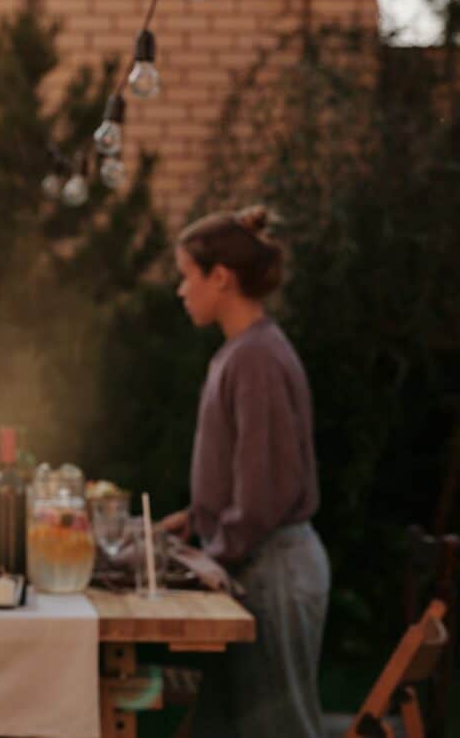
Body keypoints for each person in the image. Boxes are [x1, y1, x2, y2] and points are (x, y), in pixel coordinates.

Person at [159, 206, 329, 737]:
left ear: (221, 278)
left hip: (273, 568)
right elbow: (250, 471)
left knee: (277, 729)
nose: (181, 290)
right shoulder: (243, 353)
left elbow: (262, 494)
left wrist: (209, 558)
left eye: (188, 276)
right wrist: (195, 517)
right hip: (259, 561)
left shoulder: (255, 359)